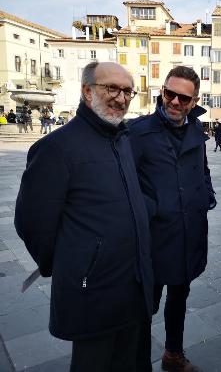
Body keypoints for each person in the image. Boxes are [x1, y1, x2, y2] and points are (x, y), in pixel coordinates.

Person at [15, 61, 154, 372]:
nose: (121, 97)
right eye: (111, 88)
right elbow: (32, 222)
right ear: (87, 91)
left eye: (127, 91)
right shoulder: (56, 147)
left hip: (133, 282)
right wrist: (70, 262)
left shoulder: (123, 140)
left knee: (128, 362)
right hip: (93, 289)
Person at [129, 66, 216, 372]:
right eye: (170, 94)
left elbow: (202, 169)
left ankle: (173, 355)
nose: (175, 102)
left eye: (183, 97)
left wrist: (207, 195)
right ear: (161, 92)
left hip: (188, 234)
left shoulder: (195, 130)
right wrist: (153, 208)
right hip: (152, 239)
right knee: (143, 307)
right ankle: (138, 363)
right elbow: (123, 184)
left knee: (179, 299)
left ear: (194, 101)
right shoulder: (137, 132)